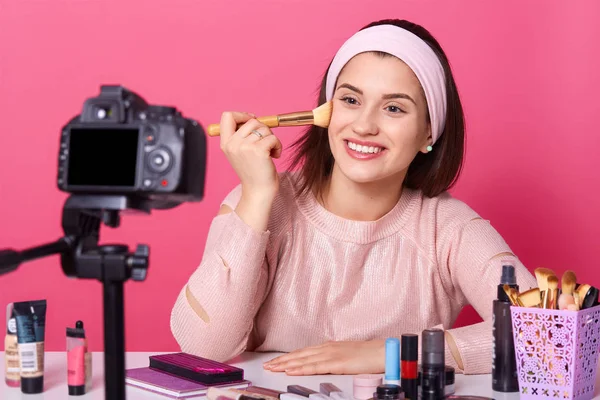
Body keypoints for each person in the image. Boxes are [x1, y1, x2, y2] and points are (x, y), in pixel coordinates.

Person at [170, 18, 537, 376]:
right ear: (326, 113)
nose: (363, 125)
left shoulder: (449, 228)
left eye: (394, 108)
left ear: (429, 131)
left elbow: (549, 334)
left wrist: (388, 354)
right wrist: (256, 195)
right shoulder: (262, 202)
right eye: (349, 100)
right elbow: (202, 347)